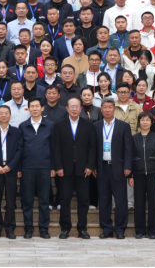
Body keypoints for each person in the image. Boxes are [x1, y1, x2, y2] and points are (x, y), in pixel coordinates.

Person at [54, 98, 96, 239]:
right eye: (71, 106)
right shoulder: (59, 125)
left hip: (83, 169)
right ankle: (65, 228)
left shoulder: (88, 124)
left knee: (83, 199)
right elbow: (56, 147)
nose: (74, 109)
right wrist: (58, 166)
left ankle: (82, 228)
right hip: (65, 169)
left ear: (80, 109)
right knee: (64, 199)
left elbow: (92, 147)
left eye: (76, 106)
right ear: (67, 108)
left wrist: (90, 165)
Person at [95, 98, 133, 239]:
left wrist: (128, 166)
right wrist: (93, 166)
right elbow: (93, 148)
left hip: (119, 168)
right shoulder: (96, 126)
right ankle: (106, 229)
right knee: (104, 200)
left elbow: (128, 148)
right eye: (104, 107)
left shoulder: (124, 126)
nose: (107, 110)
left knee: (121, 200)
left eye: (110, 107)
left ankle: (120, 228)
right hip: (102, 167)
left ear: (114, 109)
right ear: (101, 109)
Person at [0, 105, 23, 239]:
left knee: (10, 200)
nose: (3, 115)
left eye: (6, 113)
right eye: (1, 113)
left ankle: (10, 228)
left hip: (11, 169)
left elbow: (19, 150)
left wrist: (11, 166)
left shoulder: (16, 132)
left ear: (10, 116)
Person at [19, 97, 55, 239]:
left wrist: (53, 167)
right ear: (28, 109)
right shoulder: (23, 126)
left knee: (44, 200)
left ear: (42, 108)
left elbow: (53, 147)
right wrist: (19, 168)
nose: (34, 109)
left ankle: (44, 229)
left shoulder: (50, 125)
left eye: (37, 106)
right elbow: (20, 148)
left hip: (44, 167)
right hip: (27, 167)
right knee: (27, 200)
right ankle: (28, 229)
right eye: (32, 106)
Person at [129, 112, 155, 239]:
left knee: (153, 203)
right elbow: (129, 158)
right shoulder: (134, 138)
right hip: (138, 174)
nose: (145, 122)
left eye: (147, 120)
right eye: (142, 120)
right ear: (139, 122)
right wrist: (130, 176)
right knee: (138, 203)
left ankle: (153, 231)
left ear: (151, 123)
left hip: (153, 174)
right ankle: (139, 231)